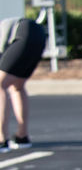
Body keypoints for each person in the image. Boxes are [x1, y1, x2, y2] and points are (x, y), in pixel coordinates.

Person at [0, 16, 47, 152]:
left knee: (0, 84)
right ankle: (22, 136)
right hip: (38, 34)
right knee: (17, 87)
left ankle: (2, 139)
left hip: (24, 32)